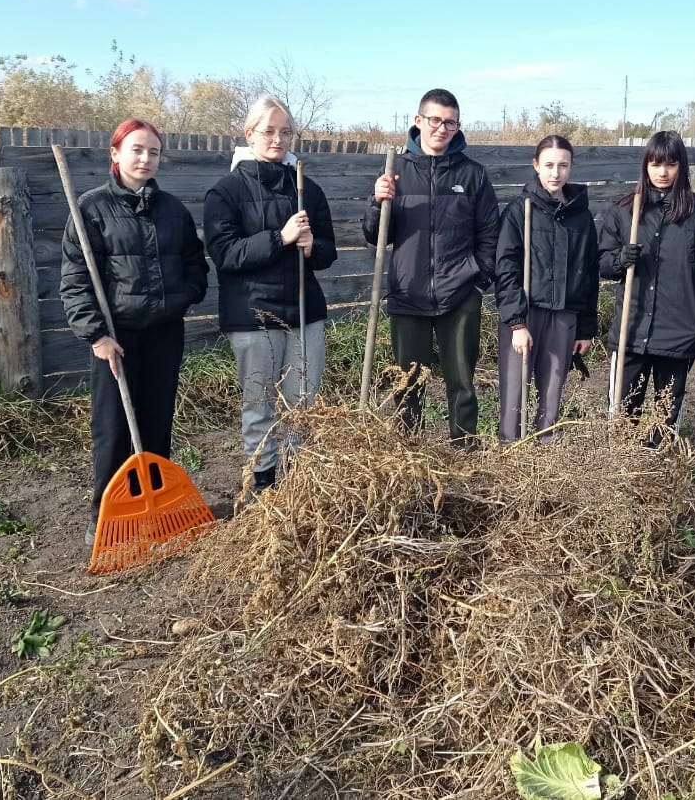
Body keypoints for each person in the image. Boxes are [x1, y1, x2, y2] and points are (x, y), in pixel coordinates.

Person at [60, 118, 209, 543]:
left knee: (158, 419)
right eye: (137, 150)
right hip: (117, 337)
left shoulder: (173, 211)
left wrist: (185, 296)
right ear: (116, 154)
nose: (145, 159)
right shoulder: (90, 209)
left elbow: (195, 262)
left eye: (154, 152)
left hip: (164, 332)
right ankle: (105, 515)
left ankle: (155, 505)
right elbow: (75, 280)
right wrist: (96, 334)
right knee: (112, 427)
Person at [204, 95, 337, 493]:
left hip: (304, 313)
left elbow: (328, 252)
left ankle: (296, 486)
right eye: (268, 131)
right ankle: (263, 486)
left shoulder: (306, 190)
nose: (277, 139)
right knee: (260, 404)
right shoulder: (225, 192)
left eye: (285, 132)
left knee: (302, 403)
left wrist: (312, 246)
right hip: (253, 315)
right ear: (250, 135)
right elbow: (225, 253)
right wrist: (280, 238)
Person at [363, 88, 500, 446]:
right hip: (409, 294)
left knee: (462, 380)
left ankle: (464, 448)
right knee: (409, 381)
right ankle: (409, 452)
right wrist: (378, 203)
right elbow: (375, 235)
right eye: (435, 120)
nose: (442, 128)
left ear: (457, 126)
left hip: (459, 294)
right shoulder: (396, 172)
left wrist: (478, 280)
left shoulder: (472, 175)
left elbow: (489, 231)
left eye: (450, 122)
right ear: (418, 121)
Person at [601, 130, 695, 443]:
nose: (663, 172)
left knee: (666, 415)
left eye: (670, 164)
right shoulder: (625, 211)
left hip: (679, 330)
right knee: (622, 412)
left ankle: (660, 472)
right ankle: (623, 470)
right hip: (632, 326)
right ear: (646, 166)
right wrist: (619, 260)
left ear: (681, 166)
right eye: (656, 164)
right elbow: (601, 264)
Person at [495, 134, 598, 442]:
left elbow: (589, 273)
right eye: (549, 165)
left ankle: (545, 464)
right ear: (536, 165)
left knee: (552, 392)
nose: (556, 173)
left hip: (564, 316)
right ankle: (510, 459)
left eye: (563, 165)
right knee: (514, 394)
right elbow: (506, 266)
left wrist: (586, 329)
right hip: (525, 314)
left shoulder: (581, 216)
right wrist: (516, 322)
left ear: (571, 167)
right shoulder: (519, 210)